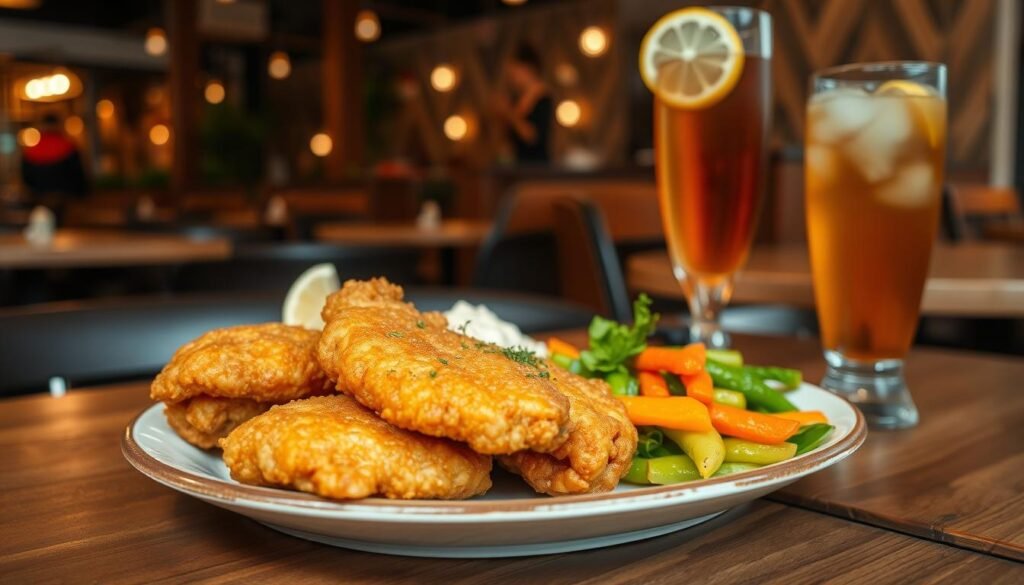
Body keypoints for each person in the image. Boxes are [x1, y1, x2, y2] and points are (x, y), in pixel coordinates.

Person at [495, 44, 553, 165]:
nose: (512, 77)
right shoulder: (516, 99)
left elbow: (533, 138)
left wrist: (509, 113)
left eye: (515, 71)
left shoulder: (543, 98)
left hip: (536, 168)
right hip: (517, 165)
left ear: (528, 68)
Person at [20, 112, 87, 214]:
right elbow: (78, 176)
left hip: (39, 201)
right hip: (66, 201)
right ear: (58, 125)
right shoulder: (69, 146)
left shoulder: (31, 151)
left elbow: (26, 178)